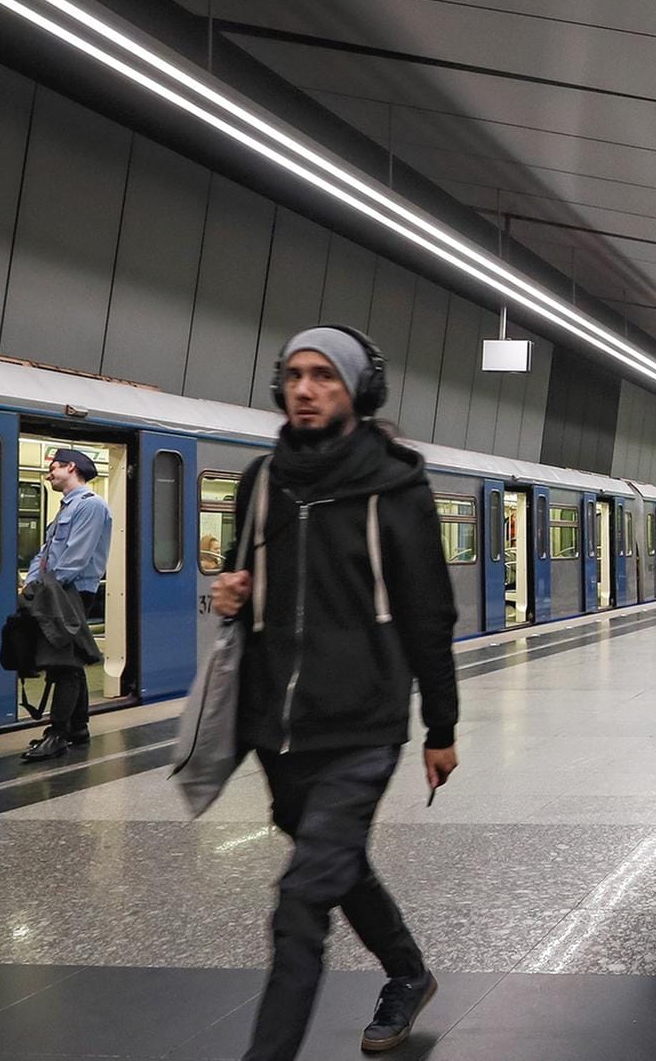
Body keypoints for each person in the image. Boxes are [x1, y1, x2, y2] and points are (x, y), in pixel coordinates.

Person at [210, 325, 460, 1058]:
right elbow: (245, 590)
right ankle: (408, 972)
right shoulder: (262, 481)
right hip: (276, 726)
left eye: (323, 376)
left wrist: (441, 727)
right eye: (294, 375)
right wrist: (228, 596)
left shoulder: (398, 488)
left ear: (358, 390)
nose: (306, 389)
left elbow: (429, 616)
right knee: (334, 862)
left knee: (300, 901)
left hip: (363, 724)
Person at [20, 448, 112, 761]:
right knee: (70, 657)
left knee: (64, 664)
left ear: (71, 467)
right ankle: (78, 728)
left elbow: (76, 557)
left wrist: (45, 587)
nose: (49, 474)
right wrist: (32, 583)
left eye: (54, 468)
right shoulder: (66, 508)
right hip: (55, 589)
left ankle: (57, 734)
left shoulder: (91, 505)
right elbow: (45, 553)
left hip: (71, 591)